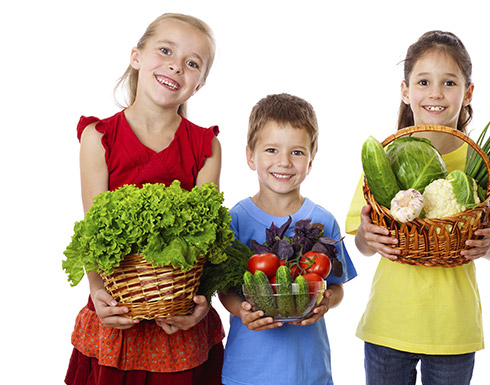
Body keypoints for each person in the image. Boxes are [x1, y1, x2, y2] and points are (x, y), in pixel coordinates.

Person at [346, 31, 490, 385]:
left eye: (449, 82)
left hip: (453, 330)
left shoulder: (481, 167)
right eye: (423, 81)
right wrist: (367, 236)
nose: (435, 93)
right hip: (389, 325)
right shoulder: (386, 159)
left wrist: (489, 245)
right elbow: (362, 244)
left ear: (467, 93)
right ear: (406, 91)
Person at [64, 13, 225, 385]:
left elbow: (207, 238)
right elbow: (95, 232)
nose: (175, 66)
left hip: (178, 321)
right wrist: (98, 291)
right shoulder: (98, 138)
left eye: (191, 63)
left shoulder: (206, 147)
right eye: (165, 50)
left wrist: (200, 303)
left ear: (198, 85)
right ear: (136, 56)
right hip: (118, 312)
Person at [218, 93, 357, 385]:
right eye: (271, 149)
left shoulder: (324, 221)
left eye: (296, 152)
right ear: (249, 156)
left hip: (309, 373)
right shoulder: (235, 219)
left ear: (310, 161)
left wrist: (326, 303)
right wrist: (242, 312)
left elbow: (337, 288)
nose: (284, 162)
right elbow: (225, 290)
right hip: (248, 372)